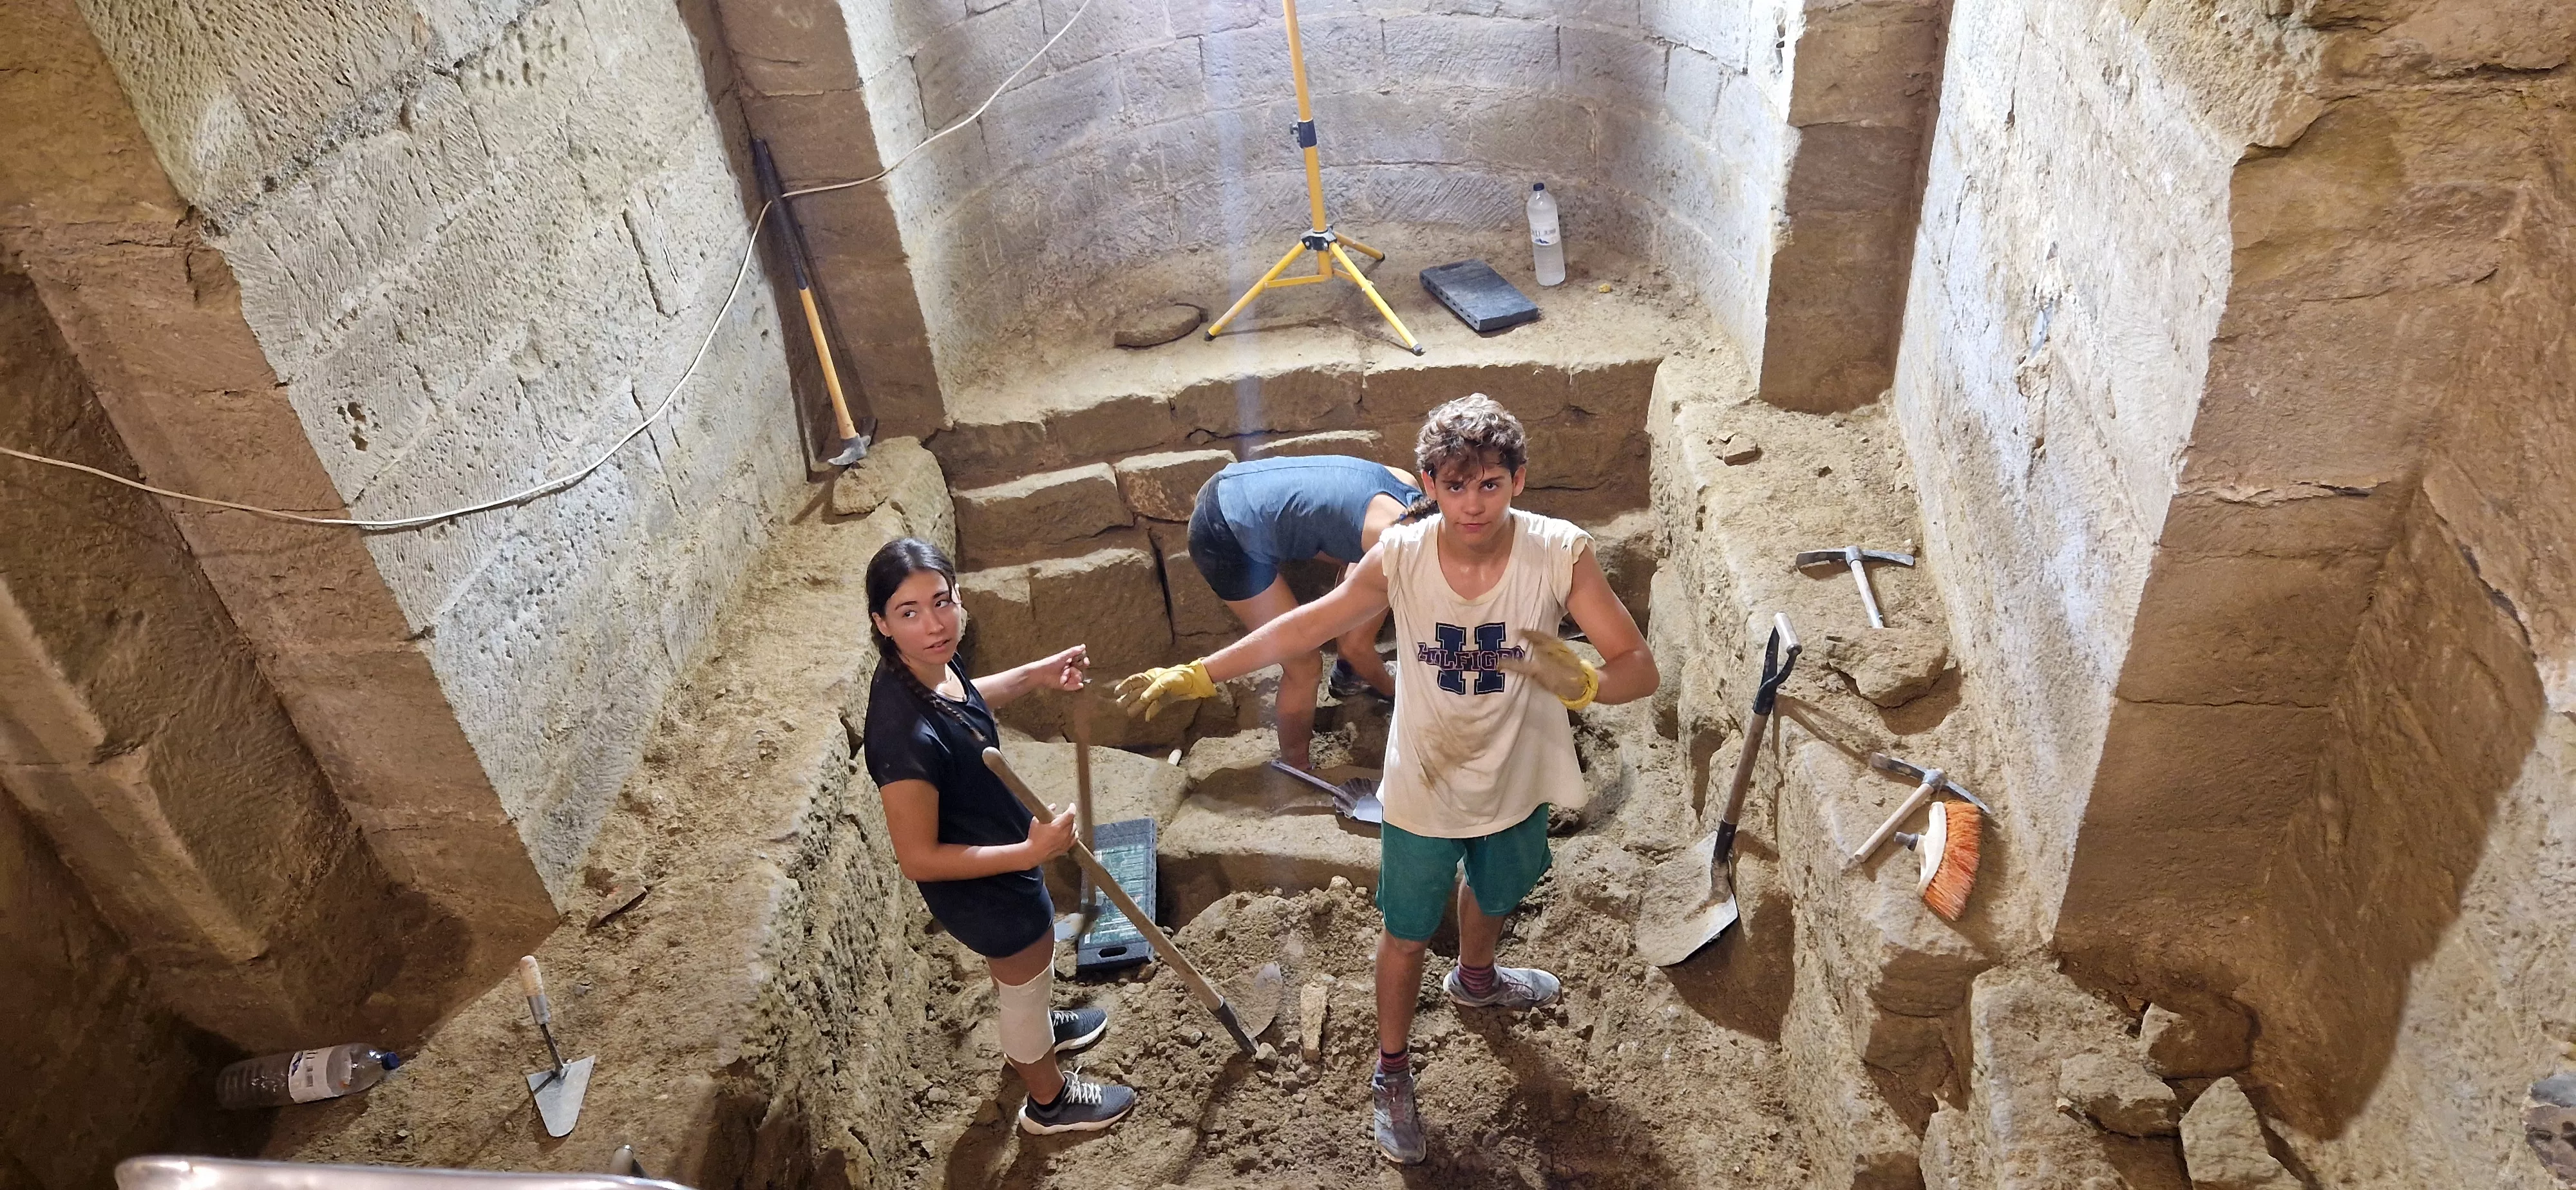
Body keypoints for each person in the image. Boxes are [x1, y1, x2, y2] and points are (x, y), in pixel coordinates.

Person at [1117, 395, 1658, 1164]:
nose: (1474, 504)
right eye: (1456, 485)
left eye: (1491, 485)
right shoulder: (1401, 555)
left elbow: (1640, 668)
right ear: (1429, 485)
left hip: (1518, 767)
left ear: (1519, 482)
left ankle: (1476, 978)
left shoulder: (1559, 553)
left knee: (1498, 891)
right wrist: (1203, 671)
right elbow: (1312, 624)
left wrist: (1586, 686)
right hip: (1423, 777)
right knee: (1404, 933)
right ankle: (1392, 1071)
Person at [860, 536, 1138, 1135]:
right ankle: (1048, 1101)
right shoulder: (901, 736)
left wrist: (1035, 676)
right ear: (882, 623)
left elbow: (969, 697)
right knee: (1024, 974)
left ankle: (1035, 1029)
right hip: (983, 883)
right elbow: (918, 858)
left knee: (1025, 979)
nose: (934, 624)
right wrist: (1031, 852)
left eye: (942, 601)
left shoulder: (927, 665)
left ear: (958, 596)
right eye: (908, 613)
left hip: (1001, 856)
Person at [1186, 453, 1423, 772]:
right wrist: (1398, 693)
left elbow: (1354, 565)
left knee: (1358, 586)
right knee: (1304, 664)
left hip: (1233, 485)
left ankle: (1349, 676)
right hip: (1223, 535)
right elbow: (1353, 646)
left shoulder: (1406, 486)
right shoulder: (1400, 550)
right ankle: (1297, 767)